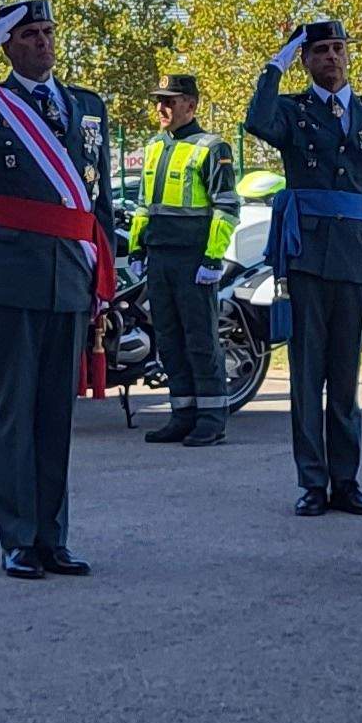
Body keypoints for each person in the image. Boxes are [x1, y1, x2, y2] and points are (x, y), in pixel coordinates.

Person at [0, 0, 107, 578]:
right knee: (15, 411)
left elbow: (99, 201)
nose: (42, 42)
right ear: (7, 43)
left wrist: (102, 273)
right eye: (28, 35)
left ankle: (53, 536)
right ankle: (17, 537)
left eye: (47, 32)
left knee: (55, 416)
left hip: (71, 271)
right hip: (11, 271)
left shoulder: (86, 106)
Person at [245, 18, 362, 518]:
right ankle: (312, 482)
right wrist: (277, 64)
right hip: (308, 259)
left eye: (338, 49)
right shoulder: (292, 111)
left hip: (358, 258)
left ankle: (347, 481)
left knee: (346, 378)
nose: (332, 57)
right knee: (307, 375)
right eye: (320, 51)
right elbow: (256, 120)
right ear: (307, 59)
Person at [131, 71, 240, 447]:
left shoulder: (212, 147)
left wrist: (213, 259)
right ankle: (182, 413)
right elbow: (145, 205)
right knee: (169, 338)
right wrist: (136, 248)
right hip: (160, 258)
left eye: (170, 101)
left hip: (194, 259)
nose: (161, 107)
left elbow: (226, 208)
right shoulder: (154, 147)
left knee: (200, 339)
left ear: (190, 105)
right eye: (158, 100)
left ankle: (211, 417)